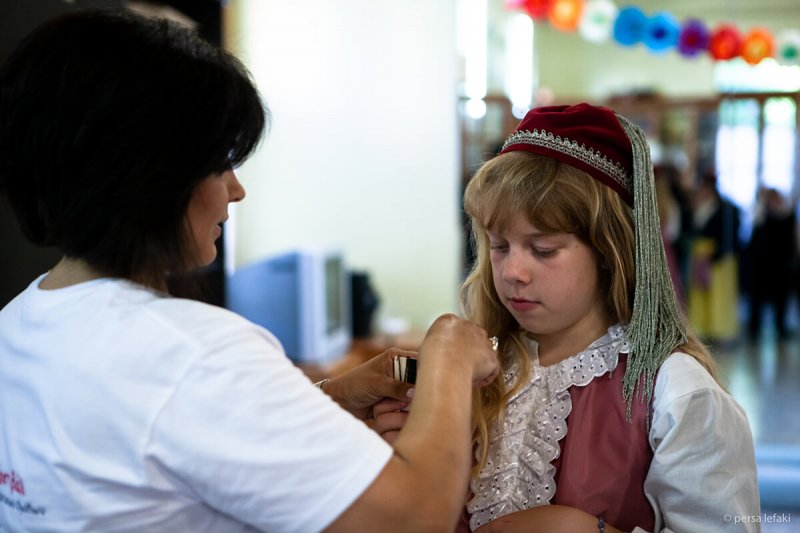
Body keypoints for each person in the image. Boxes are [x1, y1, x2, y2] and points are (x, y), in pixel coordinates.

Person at [0, 9, 500, 532]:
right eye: (221, 164)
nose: (236, 190)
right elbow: (411, 517)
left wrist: (331, 397)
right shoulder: (193, 354)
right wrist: (449, 358)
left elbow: (172, 434)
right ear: (152, 179)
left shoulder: (22, 320)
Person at [374, 103, 759, 532]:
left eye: (543, 250)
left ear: (611, 252)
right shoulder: (481, 370)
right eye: (499, 246)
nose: (512, 272)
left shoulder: (674, 393)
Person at [747, 187, 797, 340]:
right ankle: (754, 329)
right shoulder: (761, 216)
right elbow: (753, 242)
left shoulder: (787, 218)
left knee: (780, 300)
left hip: (781, 266)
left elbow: (791, 243)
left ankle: (780, 328)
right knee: (758, 300)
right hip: (762, 266)